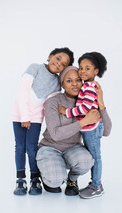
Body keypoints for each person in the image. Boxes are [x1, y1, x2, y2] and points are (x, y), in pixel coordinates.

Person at [36, 66, 112, 196]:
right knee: (55, 181)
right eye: (69, 81)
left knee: (87, 161)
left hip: (73, 148)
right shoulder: (53, 102)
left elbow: (106, 131)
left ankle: (71, 180)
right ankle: (47, 172)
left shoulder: (87, 102)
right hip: (50, 147)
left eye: (78, 80)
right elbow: (55, 134)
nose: (75, 84)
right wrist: (84, 122)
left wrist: (100, 102)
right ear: (63, 84)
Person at [12, 47, 74, 196]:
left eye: (64, 64)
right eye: (58, 58)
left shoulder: (57, 84)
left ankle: (35, 179)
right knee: (20, 147)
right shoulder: (35, 68)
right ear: (50, 56)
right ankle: (20, 179)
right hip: (19, 114)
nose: (59, 64)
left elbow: (51, 103)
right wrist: (25, 116)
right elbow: (22, 92)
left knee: (32, 148)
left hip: (35, 119)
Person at [58, 52, 110, 199]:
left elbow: (84, 109)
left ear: (96, 71)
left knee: (95, 157)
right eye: (81, 68)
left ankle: (97, 186)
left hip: (92, 129)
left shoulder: (89, 87)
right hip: (88, 128)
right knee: (93, 156)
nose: (82, 71)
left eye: (87, 68)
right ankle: (94, 183)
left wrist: (66, 112)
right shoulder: (86, 86)